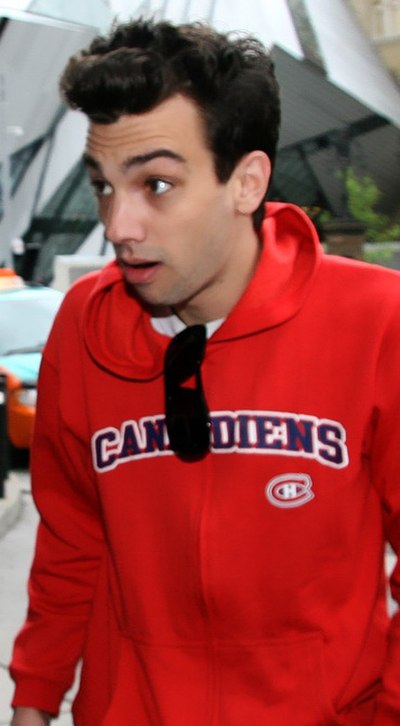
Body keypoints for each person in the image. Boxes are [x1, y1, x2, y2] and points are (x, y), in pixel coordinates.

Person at [9, 16, 400, 726]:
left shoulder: (377, 321)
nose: (119, 226)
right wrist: (35, 694)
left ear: (246, 182)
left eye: (156, 184)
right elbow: (70, 541)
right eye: (102, 185)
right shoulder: (81, 328)